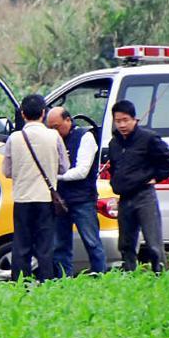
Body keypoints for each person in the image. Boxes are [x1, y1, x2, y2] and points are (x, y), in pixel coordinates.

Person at [2, 95, 69, 282]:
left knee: (21, 245)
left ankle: (20, 285)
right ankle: (45, 284)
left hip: (22, 199)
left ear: (22, 114)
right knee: (45, 246)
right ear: (43, 113)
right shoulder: (54, 136)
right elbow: (64, 167)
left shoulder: (14, 138)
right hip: (46, 200)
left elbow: (6, 171)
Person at [108, 100, 169, 273]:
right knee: (125, 243)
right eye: (118, 121)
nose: (122, 125)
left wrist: (156, 177)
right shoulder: (114, 143)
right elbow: (115, 167)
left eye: (125, 120)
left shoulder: (148, 138)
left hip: (144, 196)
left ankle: (160, 274)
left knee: (153, 242)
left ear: (135, 119)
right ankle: (130, 274)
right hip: (124, 197)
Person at [47, 107, 107, 276]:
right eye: (50, 127)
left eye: (56, 127)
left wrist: (56, 177)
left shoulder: (85, 137)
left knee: (92, 242)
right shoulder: (53, 140)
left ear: (68, 120)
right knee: (60, 245)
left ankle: (100, 277)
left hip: (83, 200)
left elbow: (82, 171)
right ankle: (63, 280)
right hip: (61, 200)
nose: (54, 131)